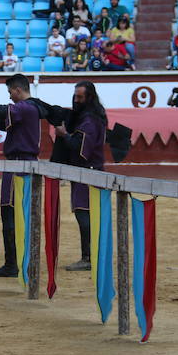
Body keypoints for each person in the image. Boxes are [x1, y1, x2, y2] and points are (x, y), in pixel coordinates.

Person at [0, 73, 46, 277]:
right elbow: (0, 119)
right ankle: (18, 262)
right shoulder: (29, 108)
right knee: (21, 214)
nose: (10, 97)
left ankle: (13, 264)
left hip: (18, 165)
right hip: (24, 164)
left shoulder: (24, 107)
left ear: (18, 90)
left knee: (10, 212)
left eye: (10, 92)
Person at [50, 82, 107, 271]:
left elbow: (81, 148)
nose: (76, 100)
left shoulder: (89, 121)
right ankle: (92, 256)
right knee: (87, 214)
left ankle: (89, 258)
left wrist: (64, 134)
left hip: (87, 173)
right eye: (75, 96)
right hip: (87, 172)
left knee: (84, 214)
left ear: (89, 97)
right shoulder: (90, 118)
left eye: (80, 97)